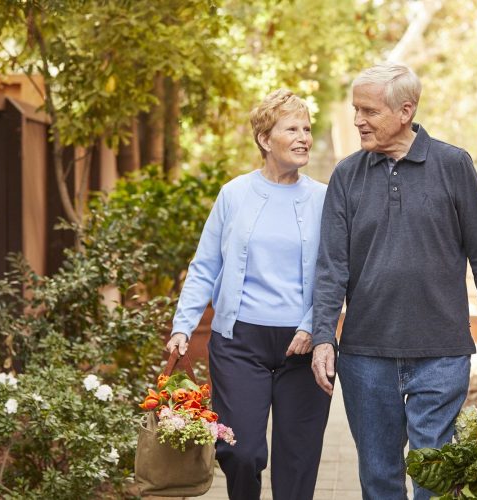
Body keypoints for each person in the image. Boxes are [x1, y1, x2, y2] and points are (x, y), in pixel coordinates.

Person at [310, 63, 477, 499]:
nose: (357, 121)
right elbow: (331, 266)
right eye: (355, 110)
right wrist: (323, 337)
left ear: (405, 111)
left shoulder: (453, 165)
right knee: (380, 477)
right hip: (366, 355)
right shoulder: (347, 176)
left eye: (369, 111)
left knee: (434, 478)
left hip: (441, 352)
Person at [166, 89, 330, 500]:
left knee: (298, 462)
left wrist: (313, 326)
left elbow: (336, 273)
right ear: (264, 139)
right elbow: (205, 266)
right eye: (291, 128)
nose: (303, 137)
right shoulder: (234, 195)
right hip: (239, 342)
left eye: (307, 129)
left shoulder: (325, 198)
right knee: (241, 453)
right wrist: (183, 325)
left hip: (304, 346)